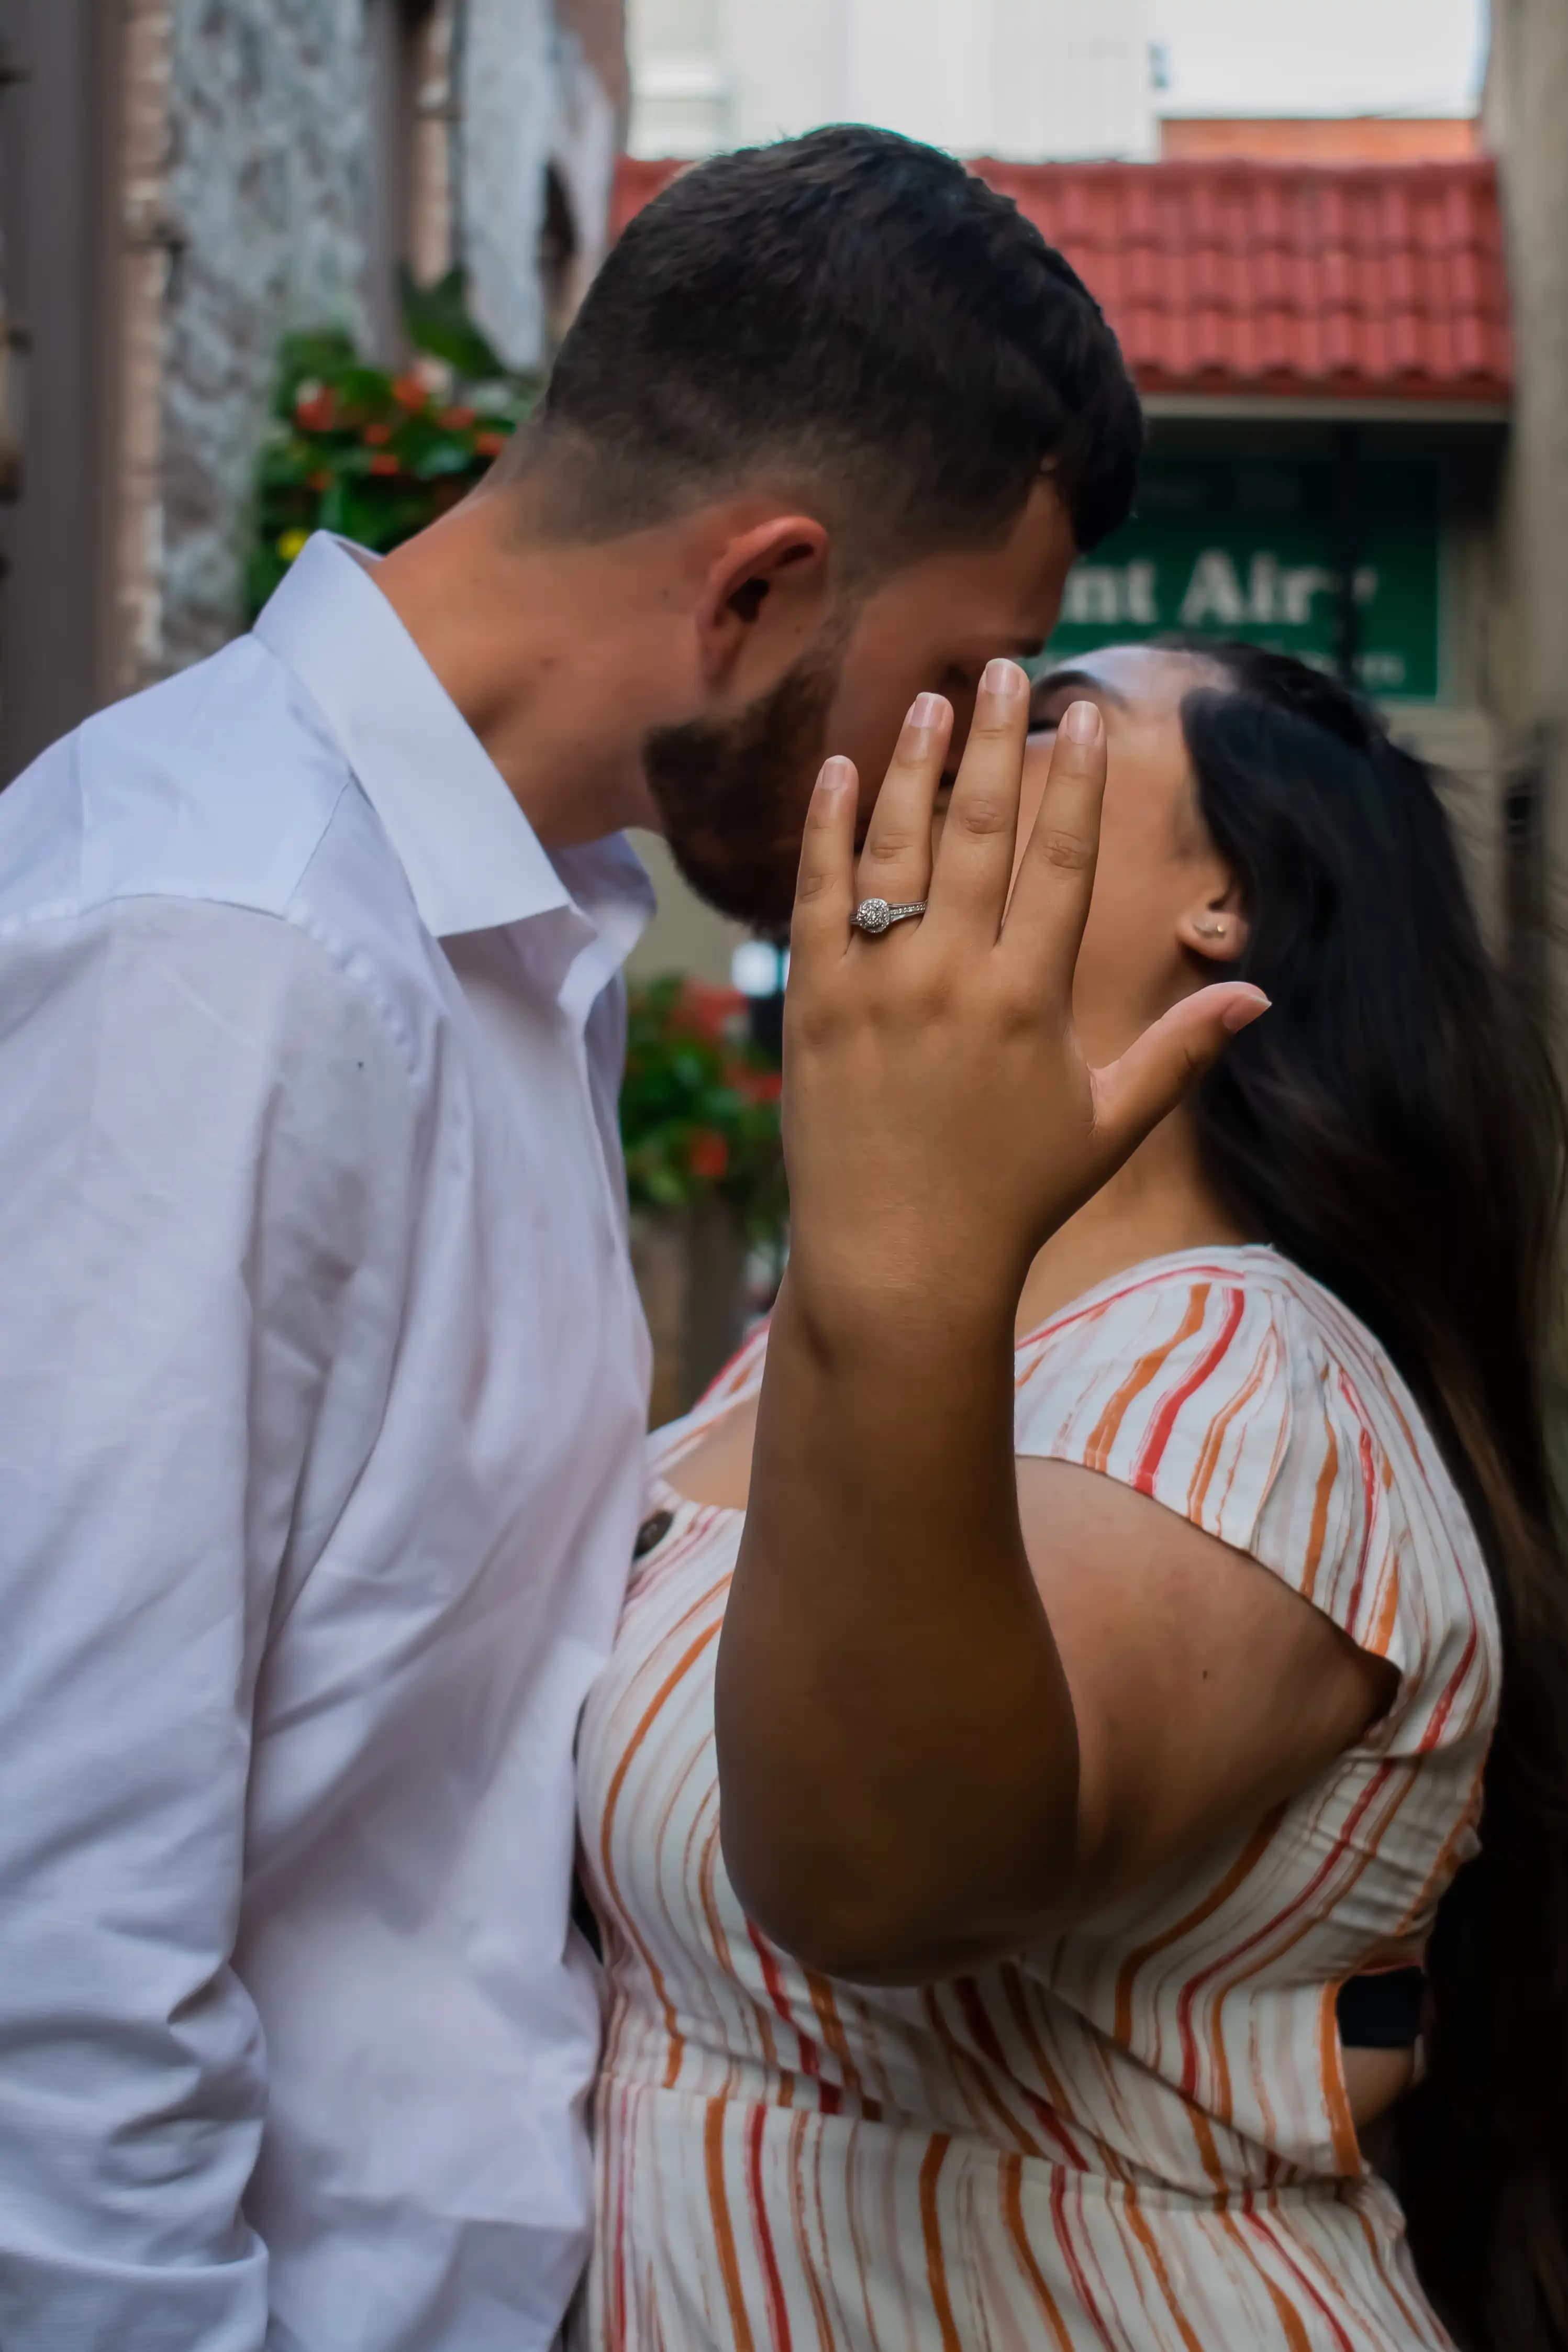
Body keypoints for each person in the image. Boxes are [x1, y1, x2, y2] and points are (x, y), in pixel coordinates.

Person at [0, 129, 1151, 2350]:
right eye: (959, 680)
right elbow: (43, 1944)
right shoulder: (218, 945)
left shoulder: (516, 949)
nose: (961, 766)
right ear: (758, 591)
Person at [576, 643, 1568, 2349]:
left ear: (1228, 901)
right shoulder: (801, 1350)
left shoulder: (1255, 1388)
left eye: (1055, 722)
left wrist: (893, 1235)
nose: (960, 743)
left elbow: (887, 1876)